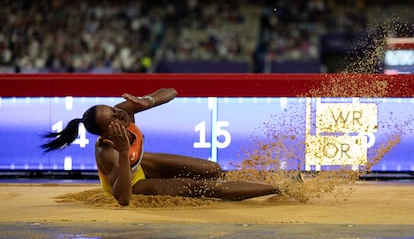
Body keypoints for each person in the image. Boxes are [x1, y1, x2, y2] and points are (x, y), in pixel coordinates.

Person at [42, 88, 281, 206]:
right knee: (203, 187)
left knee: (213, 168)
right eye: (113, 118)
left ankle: (252, 185)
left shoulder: (124, 111)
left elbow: (172, 92)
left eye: (114, 109)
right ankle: (277, 188)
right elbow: (123, 199)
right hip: (133, 183)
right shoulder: (108, 153)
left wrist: (147, 101)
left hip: (143, 164)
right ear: (107, 133)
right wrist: (124, 152)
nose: (119, 114)